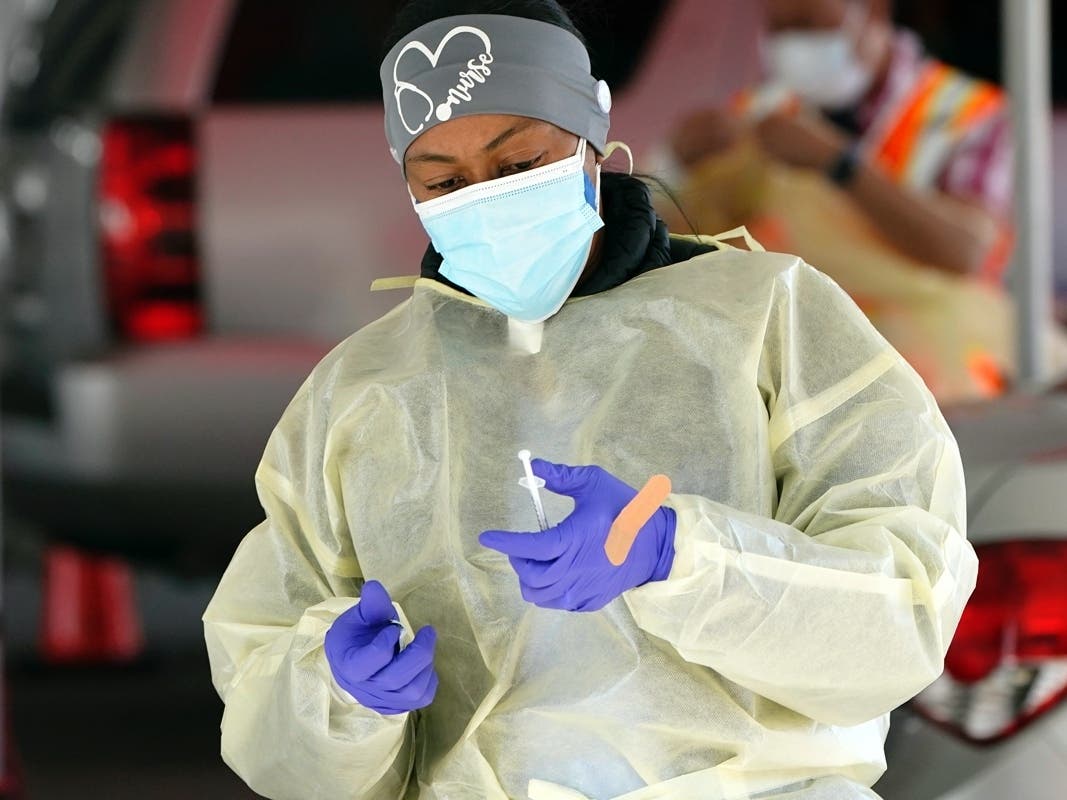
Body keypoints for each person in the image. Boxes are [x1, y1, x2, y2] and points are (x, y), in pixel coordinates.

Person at [202, 2, 978, 798]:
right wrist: (334, 699)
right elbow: (267, 708)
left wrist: (681, 557)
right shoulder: (362, 391)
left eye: (516, 165)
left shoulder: (769, 317)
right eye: (443, 180)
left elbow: (902, 612)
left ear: (591, 137)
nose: (485, 200)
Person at [668, 0, 1012, 279]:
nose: (792, 46)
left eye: (809, 24)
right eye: (779, 28)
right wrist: (678, 167)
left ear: (875, 9)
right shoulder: (757, 109)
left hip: (923, 358)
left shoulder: (968, 112)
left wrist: (839, 163)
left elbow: (967, 253)